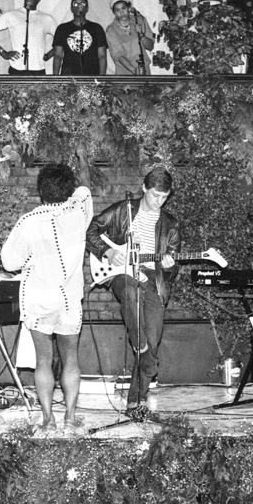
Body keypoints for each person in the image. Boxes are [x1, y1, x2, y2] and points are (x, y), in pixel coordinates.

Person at [0, 150, 92, 433]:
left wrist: (30, 259)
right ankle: (70, 417)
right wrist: (83, 160)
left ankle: (48, 419)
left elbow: (8, 262)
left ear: (41, 192)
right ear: (69, 189)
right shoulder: (79, 212)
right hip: (69, 300)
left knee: (43, 359)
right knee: (71, 359)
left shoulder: (28, 222)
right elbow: (86, 189)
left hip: (40, 300)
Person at [86, 167, 180, 415]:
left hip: (152, 279)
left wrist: (169, 267)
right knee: (129, 292)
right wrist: (108, 252)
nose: (159, 201)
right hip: (121, 272)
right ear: (144, 189)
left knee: (153, 343)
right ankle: (142, 349)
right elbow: (91, 231)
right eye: (155, 195)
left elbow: (171, 269)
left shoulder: (170, 224)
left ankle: (135, 403)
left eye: (164, 197)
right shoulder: (122, 210)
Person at [52, 0, 108, 75]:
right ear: (71, 8)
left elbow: (102, 56)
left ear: (87, 8)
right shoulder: (62, 29)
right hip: (69, 76)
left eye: (82, 3)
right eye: (75, 3)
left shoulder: (97, 28)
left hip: (92, 76)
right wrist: (56, 78)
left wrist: (101, 79)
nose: (79, 6)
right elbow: (58, 55)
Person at [106, 0, 154, 75]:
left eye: (123, 8)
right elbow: (118, 55)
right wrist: (134, 70)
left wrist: (141, 35)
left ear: (129, 8)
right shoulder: (111, 30)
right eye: (118, 10)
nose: (121, 12)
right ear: (114, 12)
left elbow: (150, 46)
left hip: (144, 69)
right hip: (124, 71)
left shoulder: (140, 20)